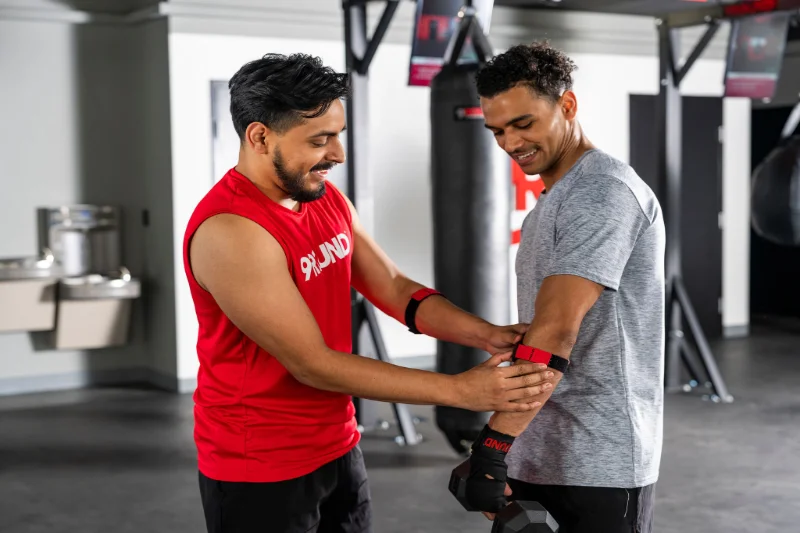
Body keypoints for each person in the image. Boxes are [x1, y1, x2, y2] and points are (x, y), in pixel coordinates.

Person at [182, 53, 554, 533]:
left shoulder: (325, 198)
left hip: (336, 443)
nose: (337, 153)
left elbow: (396, 289)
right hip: (260, 465)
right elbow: (311, 363)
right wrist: (459, 391)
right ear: (259, 137)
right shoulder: (232, 231)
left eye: (338, 135)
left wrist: (484, 335)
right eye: (320, 140)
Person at [460, 41, 666, 533]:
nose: (510, 143)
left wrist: (492, 446)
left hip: (599, 457)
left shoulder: (602, 191)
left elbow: (553, 330)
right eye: (498, 131)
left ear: (567, 106)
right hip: (540, 444)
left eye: (524, 124)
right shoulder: (556, 197)